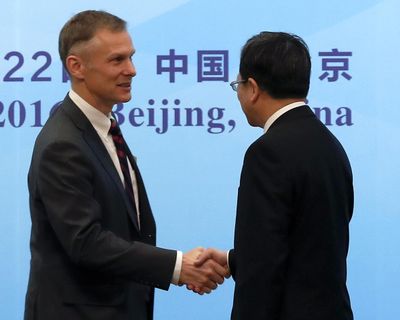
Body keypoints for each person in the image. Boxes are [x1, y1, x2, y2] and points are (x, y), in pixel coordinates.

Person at [24, 10, 227, 320]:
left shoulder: (102, 129)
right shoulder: (63, 144)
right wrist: (177, 267)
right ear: (76, 66)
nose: (131, 70)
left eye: (131, 58)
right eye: (117, 60)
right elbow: (86, 243)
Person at [196, 32, 354, 319]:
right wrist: (234, 260)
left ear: (252, 88)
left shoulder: (267, 153)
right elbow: (307, 245)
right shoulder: (330, 145)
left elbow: (262, 270)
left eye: (238, 86)